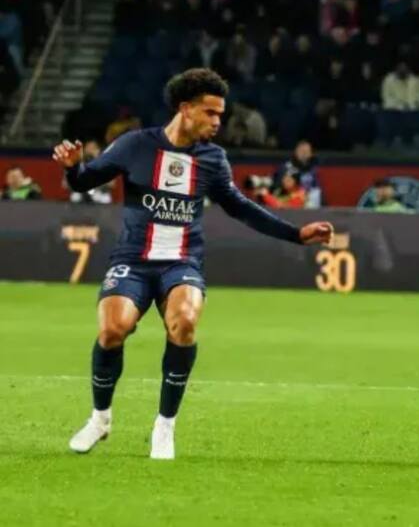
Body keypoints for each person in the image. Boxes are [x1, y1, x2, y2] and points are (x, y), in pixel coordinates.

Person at [52, 68, 333, 460]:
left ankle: (164, 426)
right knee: (112, 329)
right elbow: (83, 183)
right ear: (185, 109)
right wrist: (72, 167)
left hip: (181, 262)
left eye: (221, 114)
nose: (218, 122)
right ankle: (100, 418)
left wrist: (296, 234)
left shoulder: (213, 160)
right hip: (133, 260)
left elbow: (239, 208)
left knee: (184, 322)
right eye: (211, 113)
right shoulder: (134, 145)